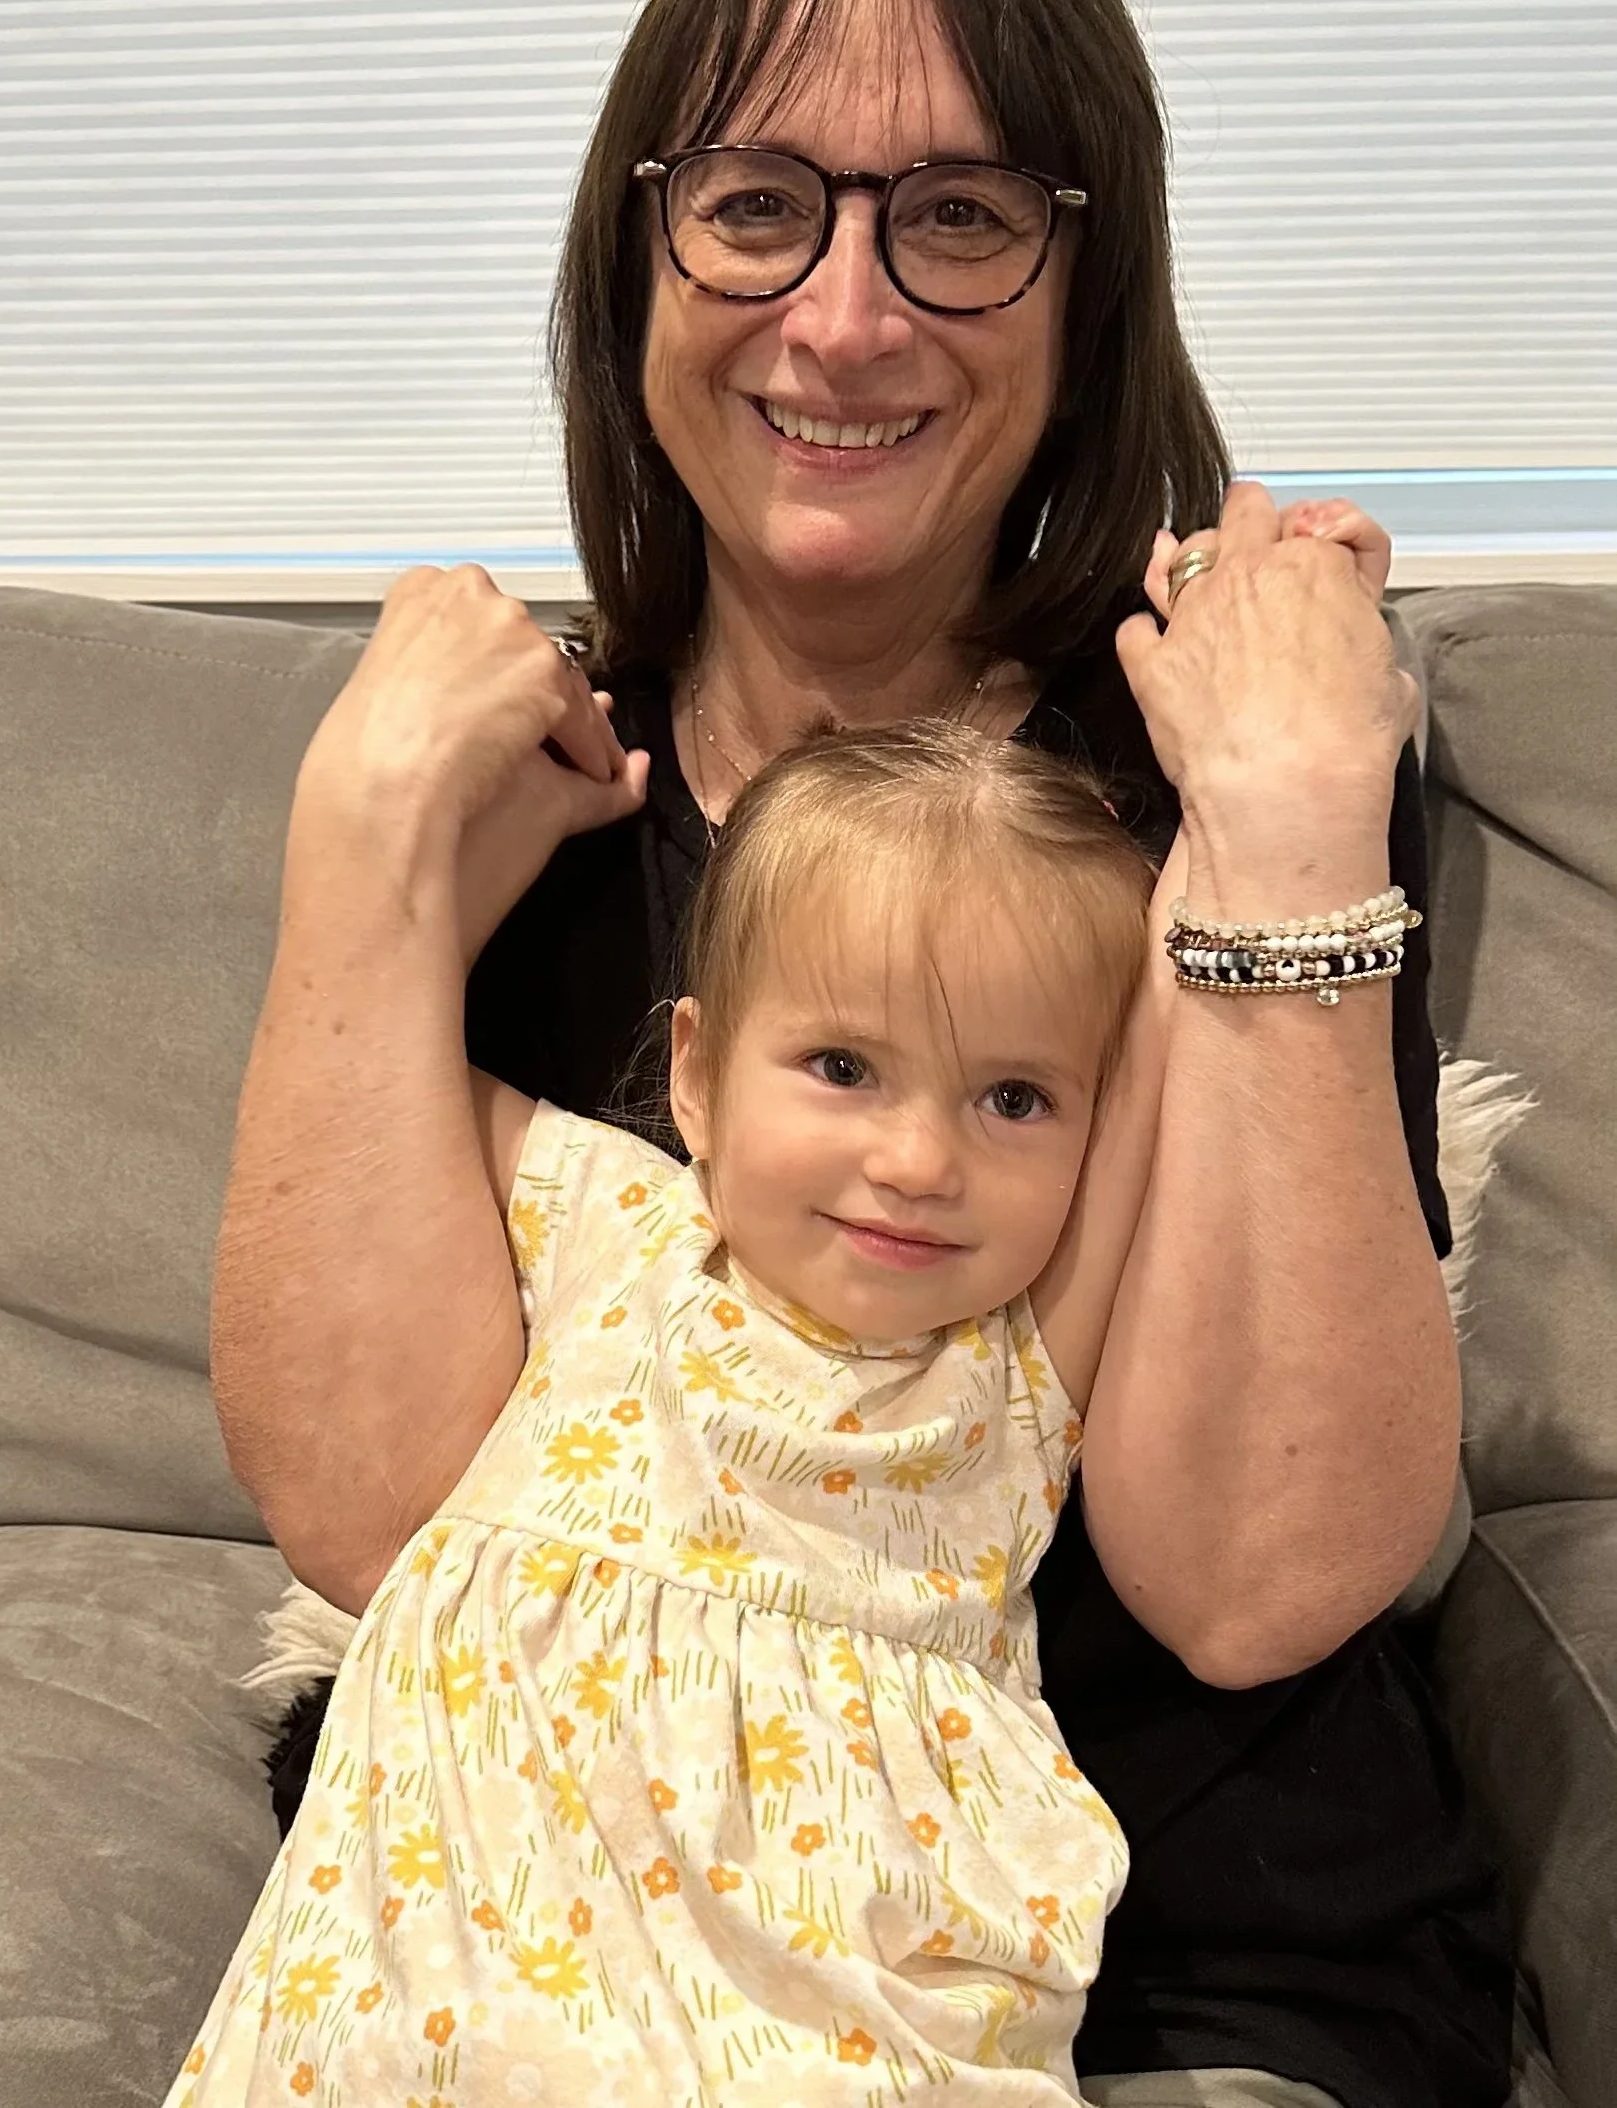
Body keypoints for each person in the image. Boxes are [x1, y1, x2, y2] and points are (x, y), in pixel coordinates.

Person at [211, 0, 1514, 2108]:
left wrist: (1291, 829)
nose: (840, 315)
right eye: (753, 203)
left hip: (1179, 1941)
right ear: (636, 256)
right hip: (550, 1932)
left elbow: (1252, 1581)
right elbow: (374, 1511)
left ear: (1084, 284)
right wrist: (360, 862)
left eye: (958, 216)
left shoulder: (1218, 758)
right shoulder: (522, 791)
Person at [174, 724, 1171, 2102]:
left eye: (1015, 1098)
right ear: (694, 1077)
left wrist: (1257, 793)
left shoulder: (1016, 1365)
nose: (917, 1160)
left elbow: (1162, 1056)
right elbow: (366, 1060)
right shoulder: (613, 1223)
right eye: (842, 1066)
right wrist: (443, 860)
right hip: (450, 1963)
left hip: (831, 1997)